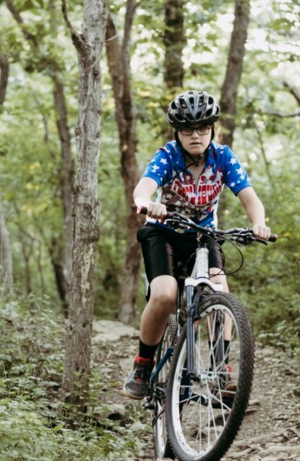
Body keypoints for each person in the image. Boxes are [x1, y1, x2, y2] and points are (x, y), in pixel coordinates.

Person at [122, 90, 270, 399]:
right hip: (163, 233)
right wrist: (147, 203)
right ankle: (142, 365)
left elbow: (249, 196)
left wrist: (259, 224)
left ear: (212, 128)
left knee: (220, 292)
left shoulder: (223, 157)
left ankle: (220, 370)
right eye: (187, 129)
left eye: (203, 128)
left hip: (203, 236)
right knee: (164, 294)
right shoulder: (168, 156)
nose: (196, 135)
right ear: (176, 131)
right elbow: (143, 188)